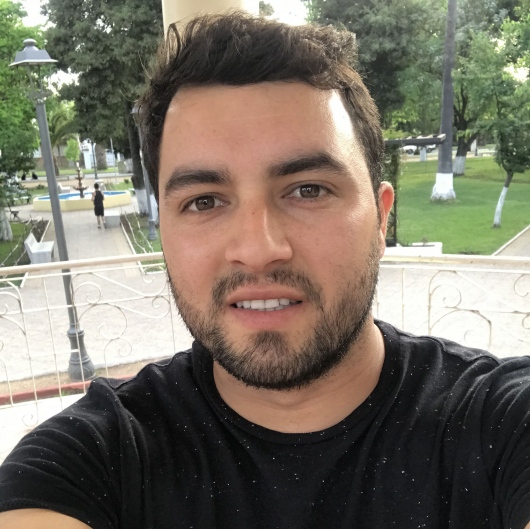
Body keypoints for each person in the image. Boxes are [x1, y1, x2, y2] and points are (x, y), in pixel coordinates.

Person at [0, 12, 529, 529]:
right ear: (164, 235)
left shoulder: (500, 423)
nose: (258, 250)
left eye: (308, 190)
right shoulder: (90, 459)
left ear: (381, 218)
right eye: (205, 201)